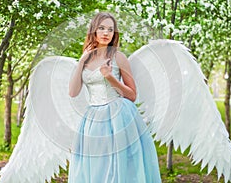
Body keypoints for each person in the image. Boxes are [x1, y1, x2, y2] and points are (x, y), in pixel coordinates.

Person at [68, 12, 162, 182]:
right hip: (93, 120)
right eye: (102, 28)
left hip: (118, 116)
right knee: (96, 167)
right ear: (93, 31)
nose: (106, 33)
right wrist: (81, 62)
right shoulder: (85, 60)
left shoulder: (118, 57)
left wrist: (110, 77)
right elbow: (73, 92)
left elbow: (132, 95)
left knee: (117, 167)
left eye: (110, 29)